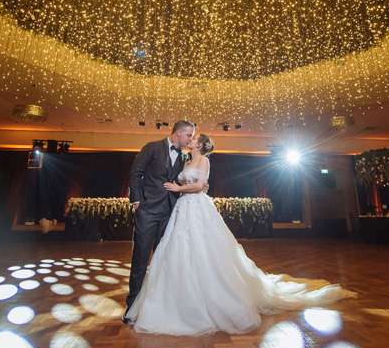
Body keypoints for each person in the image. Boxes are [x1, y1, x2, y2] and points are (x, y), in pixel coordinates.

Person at [125, 133, 348, 335]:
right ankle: (177, 299)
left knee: (205, 250)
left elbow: (201, 184)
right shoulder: (186, 160)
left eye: (194, 139)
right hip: (182, 209)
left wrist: (178, 189)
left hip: (197, 206)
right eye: (189, 137)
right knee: (179, 251)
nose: (190, 140)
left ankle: (211, 297)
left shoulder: (204, 160)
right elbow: (193, 182)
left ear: (201, 145)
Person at [124, 120, 195, 322]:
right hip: (147, 212)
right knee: (140, 260)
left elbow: (181, 180)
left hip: (170, 214)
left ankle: (158, 306)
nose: (191, 139)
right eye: (189, 135)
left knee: (164, 261)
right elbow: (135, 173)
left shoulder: (185, 156)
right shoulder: (152, 148)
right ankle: (132, 308)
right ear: (178, 133)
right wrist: (136, 201)